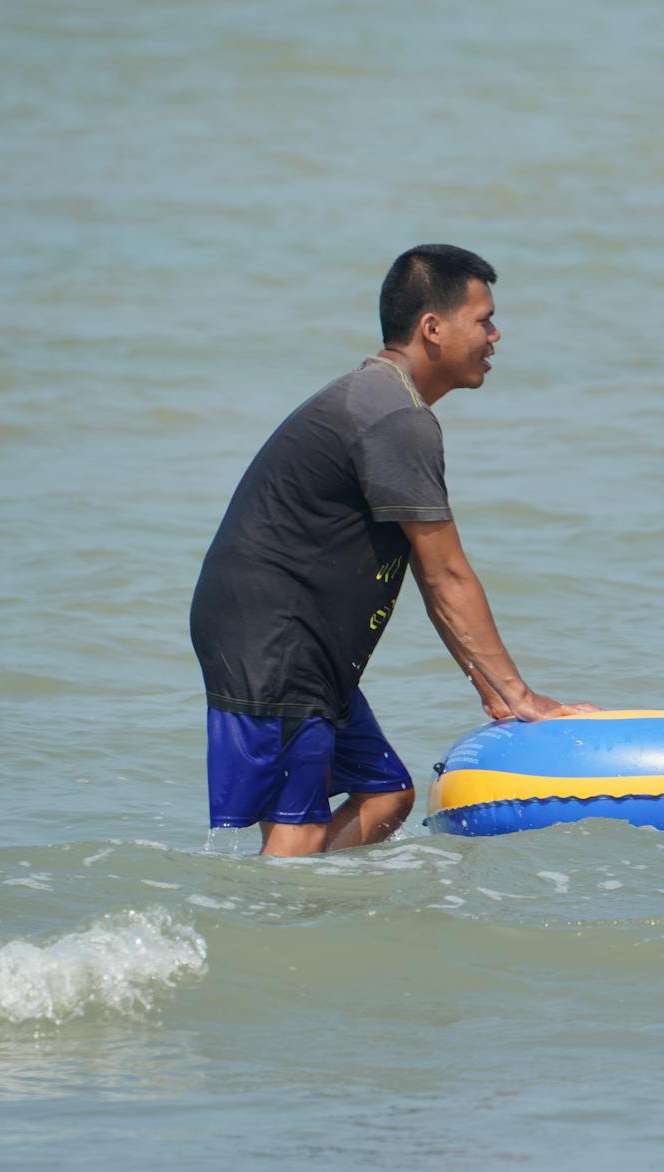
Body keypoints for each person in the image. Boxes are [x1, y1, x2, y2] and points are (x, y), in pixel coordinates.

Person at [190, 244, 594, 857]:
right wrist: (519, 697)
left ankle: (301, 919)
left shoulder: (385, 404)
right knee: (294, 823)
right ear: (433, 328)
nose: (495, 334)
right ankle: (269, 937)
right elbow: (447, 576)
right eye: (483, 319)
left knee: (386, 795)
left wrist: (484, 682)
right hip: (275, 635)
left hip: (289, 636)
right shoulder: (395, 418)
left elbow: (437, 584)